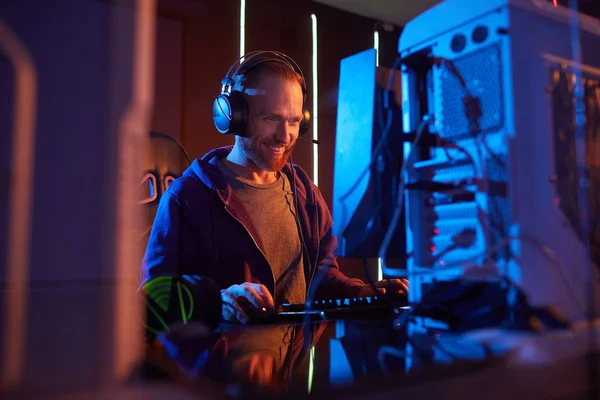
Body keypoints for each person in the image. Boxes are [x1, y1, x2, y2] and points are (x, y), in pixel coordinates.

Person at [140, 50, 409, 393]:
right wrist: (218, 302)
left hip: (289, 380)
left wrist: (366, 294)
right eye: (271, 118)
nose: (285, 136)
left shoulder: (305, 192)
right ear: (234, 115)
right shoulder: (187, 196)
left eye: (295, 121)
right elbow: (150, 304)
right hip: (214, 387)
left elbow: (322, 279)